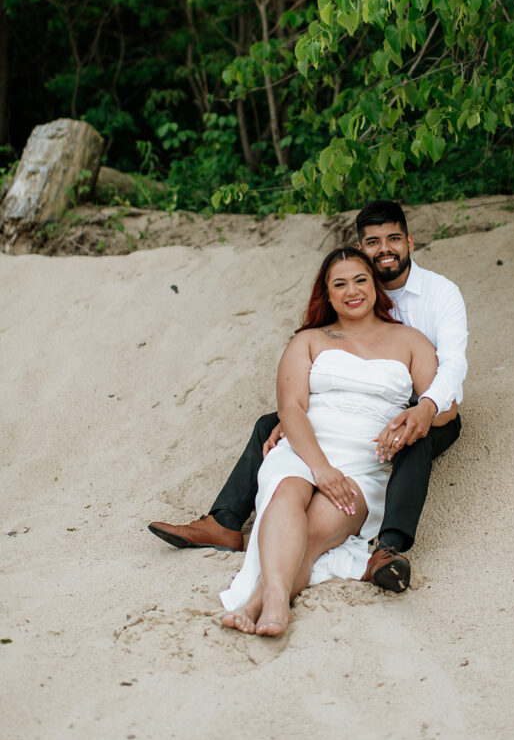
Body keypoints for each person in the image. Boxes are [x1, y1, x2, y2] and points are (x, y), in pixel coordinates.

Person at [148, 200, 467, 592]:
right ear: (361, 250)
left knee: (411, 443)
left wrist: (425, 407)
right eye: (373, 241)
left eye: (393, 239)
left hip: (428, 404)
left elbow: (452, 365)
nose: (385, 248)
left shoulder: (440, 293)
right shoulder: (354, 288)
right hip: (352, 406)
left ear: (409, 242)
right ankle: (226, 521)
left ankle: (388, 546)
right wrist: (302, 412)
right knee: (273, 423)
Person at [220, 246, 438, 636]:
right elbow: (291, 408)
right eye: (340, 284)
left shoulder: (410, 340)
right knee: (286, 493)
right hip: (305, 450)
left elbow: (445, 406)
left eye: (360, 280)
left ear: (375, 285)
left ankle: (258, 599)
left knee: (315, 533)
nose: (352, 291)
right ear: (327, 293)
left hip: (366, 460)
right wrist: (320, 469)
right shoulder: (308, 340)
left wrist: (423, 410)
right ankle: (274, 604)